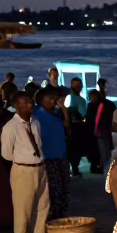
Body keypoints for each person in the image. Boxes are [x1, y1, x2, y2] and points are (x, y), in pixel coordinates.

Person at [0, 90, 52, 233]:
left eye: (29, 102)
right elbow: (6, 154)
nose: (28, 105)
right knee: (23, 211)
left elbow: (39, 144)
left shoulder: (35, 122)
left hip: (40, 167)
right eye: (23, 103)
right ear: (15, 106)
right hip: (23, 169)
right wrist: (24, 159)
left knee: (42, 207)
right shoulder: (10, 127)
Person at [36, 88, 71, 220]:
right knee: (53, 190)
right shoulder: (37, 117)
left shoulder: (56, 113)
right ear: (42, 102)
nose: (53, 101)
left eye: (53, 98)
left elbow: (66, 126)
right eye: (49, 99)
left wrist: (64, 111)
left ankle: (62, 215)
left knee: (65, 187)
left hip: (61, 155)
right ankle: (53, 218)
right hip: (48, 158)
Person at [65, 76, 90, 176]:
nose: (77, 88)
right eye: (75, 86)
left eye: (78, 86)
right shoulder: (70, 98)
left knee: (76, 148)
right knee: (74, 148)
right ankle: (74, 169)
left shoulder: (81, 100)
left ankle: (74, 168)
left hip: (78, 125)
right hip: (74, 126)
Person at [91, 80, 116, 174]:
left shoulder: (97, 104)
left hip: (102, 131)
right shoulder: (106, 104)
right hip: (104, 131)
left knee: (105, 153)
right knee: (106, 154)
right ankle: (107, 172)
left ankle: (105, 170)